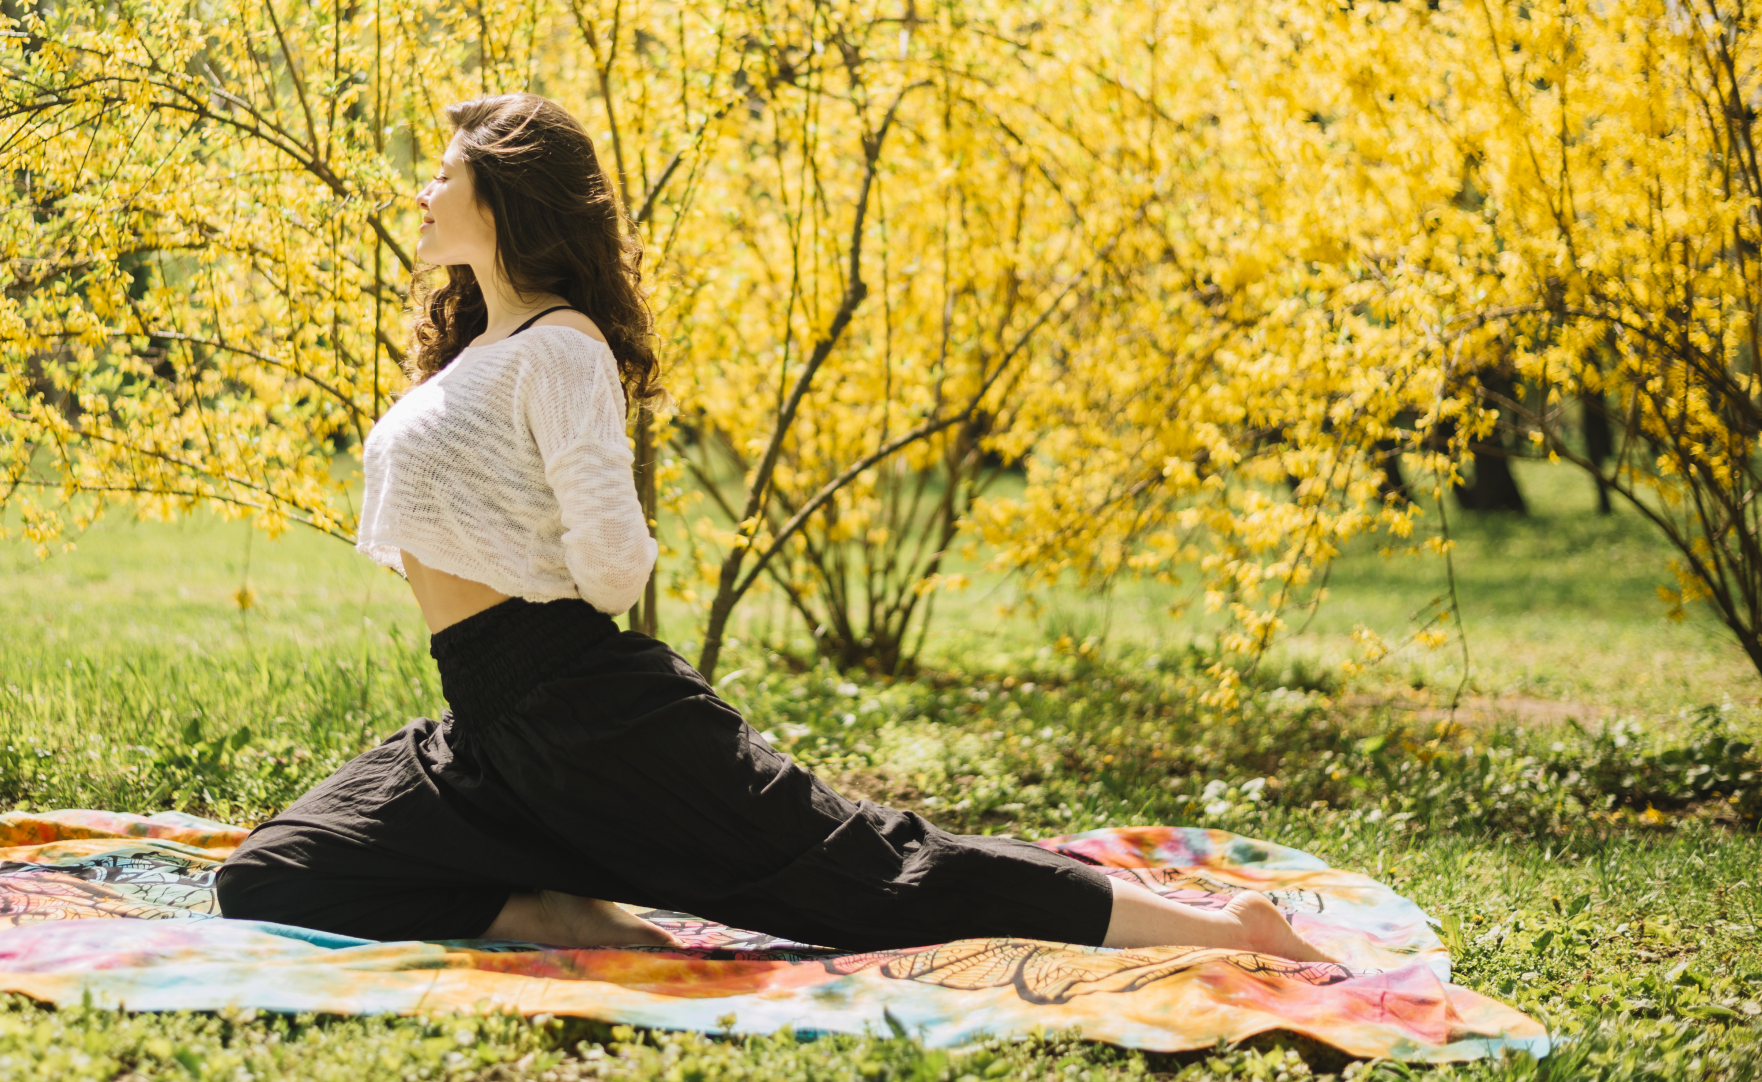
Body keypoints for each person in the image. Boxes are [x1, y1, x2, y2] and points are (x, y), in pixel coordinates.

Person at [215, 92, 1328, 960]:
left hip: (591, 722)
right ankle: (552, 905)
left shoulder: (559, 348)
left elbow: (610, 571)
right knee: (273, 872)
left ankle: (1228, 928)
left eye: (443, 173)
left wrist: (534, 559)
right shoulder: (486, 348)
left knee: (872, 878)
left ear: (505, 195)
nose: (421, 189)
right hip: (485, 728)